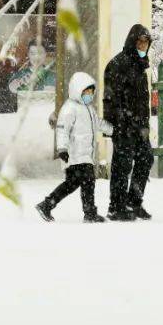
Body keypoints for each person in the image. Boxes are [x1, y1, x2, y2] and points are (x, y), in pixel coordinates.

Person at [35, 71, 112, 223]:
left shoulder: (89, 109)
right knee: (87, 182)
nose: (89, 94)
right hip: (74, 155)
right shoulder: (69, 108)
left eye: (91, 91)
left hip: (85, 155)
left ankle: (47, 204)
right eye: (86, 91)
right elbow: (62, 129)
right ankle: (89, 213)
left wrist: (114, 130)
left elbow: (98, 123)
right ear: (78, 91)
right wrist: (62, 149)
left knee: (72, 184)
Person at [103, 24, 155, 221]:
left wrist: (144, 124)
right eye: (140, 42)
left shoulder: (141, 65)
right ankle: (116, 207)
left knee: (145, 159)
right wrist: (118, 124)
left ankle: (133, 202)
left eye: (146, 43)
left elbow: (142, 99)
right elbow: (110, 98)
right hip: (123, 126)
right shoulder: (118, 64)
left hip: (139, 127)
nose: (143, 46)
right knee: (122, 166)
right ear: (132, 42)